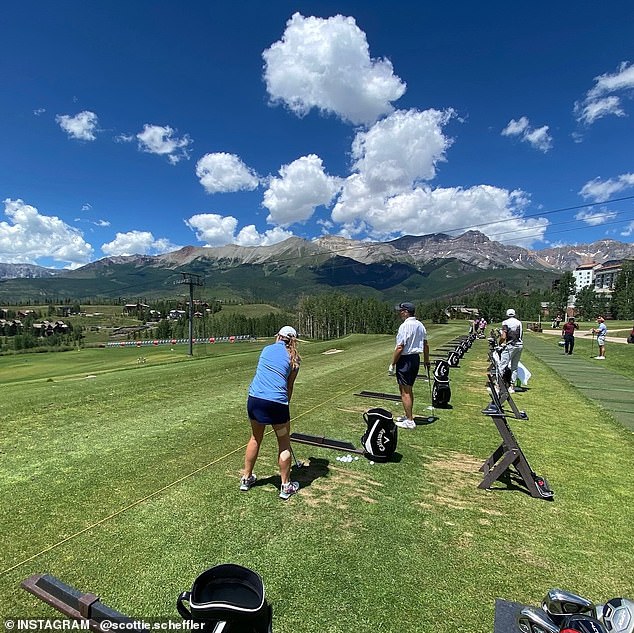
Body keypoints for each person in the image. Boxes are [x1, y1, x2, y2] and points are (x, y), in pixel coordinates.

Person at [241, 326, 301, 500]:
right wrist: (285, 405)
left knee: (255, 438)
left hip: (255, 400)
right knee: (284, 442)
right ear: (293, 341)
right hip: (277, 404)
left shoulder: (266, 349)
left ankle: (246, 478)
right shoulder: (295, 359)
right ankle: (285, 486)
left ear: (278, 337)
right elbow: (289, 386)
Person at [388, 302, 430, 429]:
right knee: (407, 389)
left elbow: (400, 347)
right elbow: (426, 345)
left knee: (405, 391)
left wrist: (392, 364)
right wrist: (426, 360)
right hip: (415, 359)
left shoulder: (405, 326)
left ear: (406, 312)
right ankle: (408, 415)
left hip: (405, 360)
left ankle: (410, 421)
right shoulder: (420, 325)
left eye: (401, 311)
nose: (400, 313)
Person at [499, 308, 523, 393]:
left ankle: (498, 386)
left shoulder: (505, 322)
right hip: (519, 345)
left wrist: (500, 343)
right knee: (514, 367)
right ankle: (512, 387)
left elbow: (503, 336)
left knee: (502, 366)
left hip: (510, 346)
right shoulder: (519, 322)